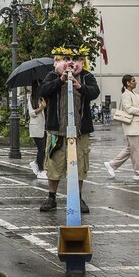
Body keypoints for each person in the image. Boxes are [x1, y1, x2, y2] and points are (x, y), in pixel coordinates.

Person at [38, 46, 101, 213]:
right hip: (56, 131)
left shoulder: (87, 76)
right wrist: (60, 80)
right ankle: (51, 197)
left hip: (80, 132)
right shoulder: (52, 75)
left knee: (80, 164)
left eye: (74, 59)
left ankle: (77, 197)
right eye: (66, 59)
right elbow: (43, 90)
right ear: (59, 62)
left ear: (81, 61)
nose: (70, 63)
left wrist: (80, 87)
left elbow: (95, 92)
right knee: (54, 164)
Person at [27, 81, 48, 180]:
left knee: (44, 150)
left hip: (44, 126)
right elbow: (31, 113)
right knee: (41, 149)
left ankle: (36, 163)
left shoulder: (43, 97)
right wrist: (41, 107)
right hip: (36, 127)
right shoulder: (31, 98)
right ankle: (40, 170)